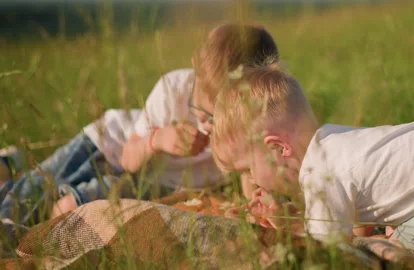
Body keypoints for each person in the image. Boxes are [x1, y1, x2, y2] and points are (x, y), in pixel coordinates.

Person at [0, 23, 280, 224]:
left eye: (220, 120)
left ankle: (14, 162)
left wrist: (256, 200)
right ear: (194, 68)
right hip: (110, 146)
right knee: (25, 198)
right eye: (202, 113)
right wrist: (157, 140)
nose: (209, 126)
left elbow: (248, 170)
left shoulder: (254, 114)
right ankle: (10, 165)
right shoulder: (173, 89)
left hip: (150, 182)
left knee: (64, 207)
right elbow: (128, 158)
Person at [211, 65, 414, 253]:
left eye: (247, 170)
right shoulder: (334, 141)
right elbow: (359, 225)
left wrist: (285, 232)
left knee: (398, 241)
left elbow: (328, 253)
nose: (250, 180)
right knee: (392, 233)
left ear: (279, 149)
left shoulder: (319, 174)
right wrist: (291, 220)